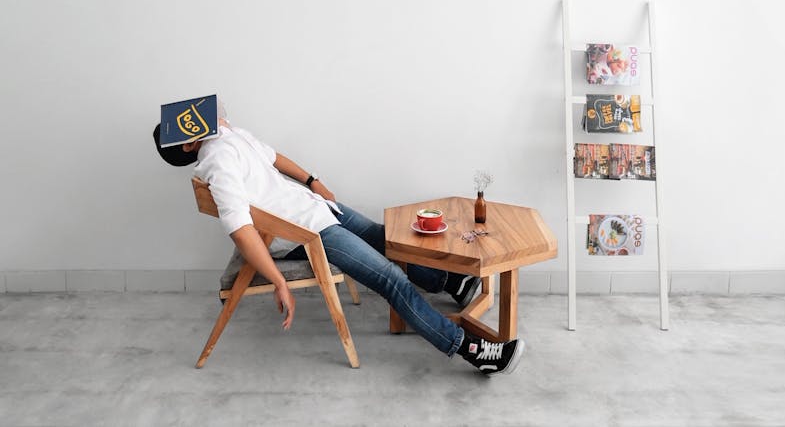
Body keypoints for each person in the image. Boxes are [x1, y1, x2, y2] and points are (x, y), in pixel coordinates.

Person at [153, 115, 525, 376]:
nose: (201, 114)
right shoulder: (217, 164)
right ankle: (471, 350)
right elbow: (240, 229)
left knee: (385, 236)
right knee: (391, 279)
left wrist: (314, 181)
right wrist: (279, 282)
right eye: (187, 119)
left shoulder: (225, 135)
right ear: (187, 143)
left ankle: (449, 283)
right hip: (310, 233)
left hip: (315, 208)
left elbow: (273, 157)